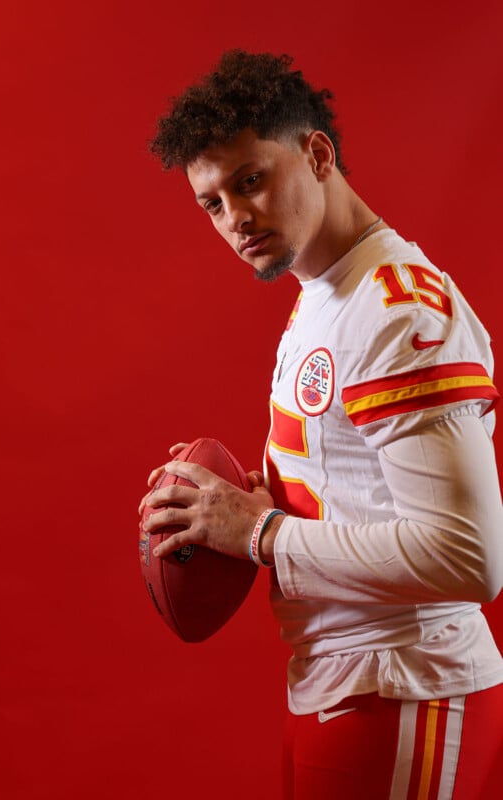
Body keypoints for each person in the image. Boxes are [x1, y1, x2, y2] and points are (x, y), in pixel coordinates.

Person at [139, 50, 503, 799]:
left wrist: (260, 533)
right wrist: (235, 499)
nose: (236, 218)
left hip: (407, 687)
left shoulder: (397, 307)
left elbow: (471, 559)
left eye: (251, 180)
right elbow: (358, 487)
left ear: (317, 153)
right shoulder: (327, 293)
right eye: (212, 203)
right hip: (338, 678)